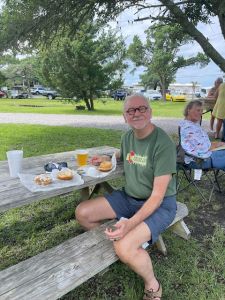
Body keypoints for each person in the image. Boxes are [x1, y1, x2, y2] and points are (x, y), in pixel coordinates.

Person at [75, 93, 177, 300]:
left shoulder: (163, 143)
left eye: (142, 109)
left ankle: (153, 285)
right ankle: (124, 251)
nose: (136, 113)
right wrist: (106, 157)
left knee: (124, 245)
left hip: (160, 204)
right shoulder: (127, 137)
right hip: (129, 197)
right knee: (83, 212)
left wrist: (130, 224)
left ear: (150, 112)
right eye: (131, 110)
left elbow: (158, 196)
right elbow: (123, 154)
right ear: (125, 117)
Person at [179, 100, 225, 170]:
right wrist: (215, 145)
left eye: (201, 111)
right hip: (200, 160)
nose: (201, 113)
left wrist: (216, 144)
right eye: (198, 110)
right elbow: (202, 148)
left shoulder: (191, 124)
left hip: (204, 155)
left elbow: (199, 143)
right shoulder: (188, 127)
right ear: (189, 110)